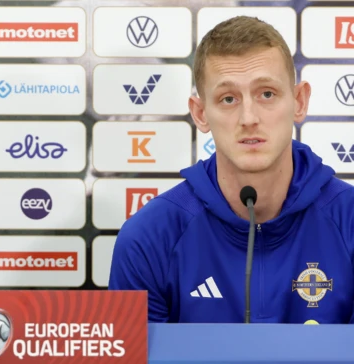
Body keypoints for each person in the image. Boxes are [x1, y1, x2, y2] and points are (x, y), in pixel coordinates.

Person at [109, 16, 354, 324]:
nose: (248, 117)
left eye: (267, 93)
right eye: (228, 99)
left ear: (299, 101)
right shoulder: (149, 237)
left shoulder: (349, 221)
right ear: (201, 114)